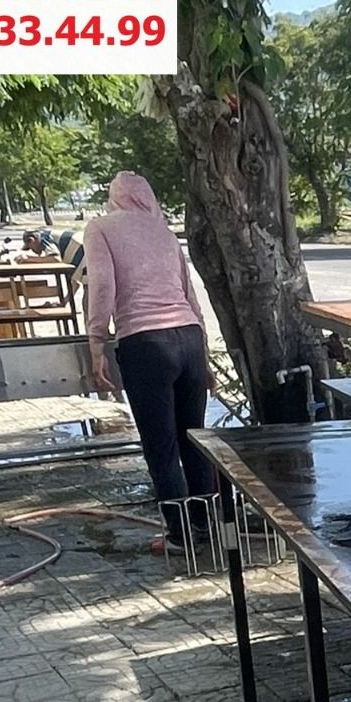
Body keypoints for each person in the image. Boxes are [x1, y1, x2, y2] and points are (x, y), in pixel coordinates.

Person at [84, 172, 215, 547]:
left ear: (115, 198)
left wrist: (97, 342)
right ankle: (207, 526)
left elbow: (103, 286)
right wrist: (204, 356)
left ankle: (180, 535)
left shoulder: (100, 228)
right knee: (194, 439)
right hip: (188, 338)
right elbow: (190, 295)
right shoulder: (165, 232)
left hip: (145, 344)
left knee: (161, 446)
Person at [21, 222, 87, 290]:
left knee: (89, 289)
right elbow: (75, 283)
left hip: (84, 250)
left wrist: (28, 259)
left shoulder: (44, 238)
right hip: (82, 250)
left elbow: (56, 259)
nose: (32, 251)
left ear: (32, 240)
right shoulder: (47, 236)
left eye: (30, 247)